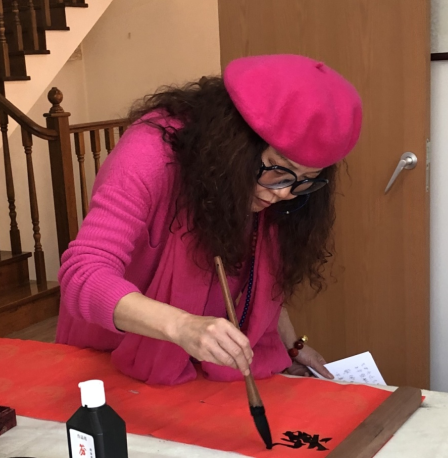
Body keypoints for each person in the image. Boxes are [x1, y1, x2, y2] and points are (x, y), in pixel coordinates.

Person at [56, 54, 362, 386]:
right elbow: (84, 273)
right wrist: (183, 326)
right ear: (236, 141)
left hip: (196, 363)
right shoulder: (147, 156)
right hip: (108, 359)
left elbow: (260, 271)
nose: (285, 192)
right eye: (279, 168)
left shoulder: (269, 183)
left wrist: (291, 345)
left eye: (306, 179)